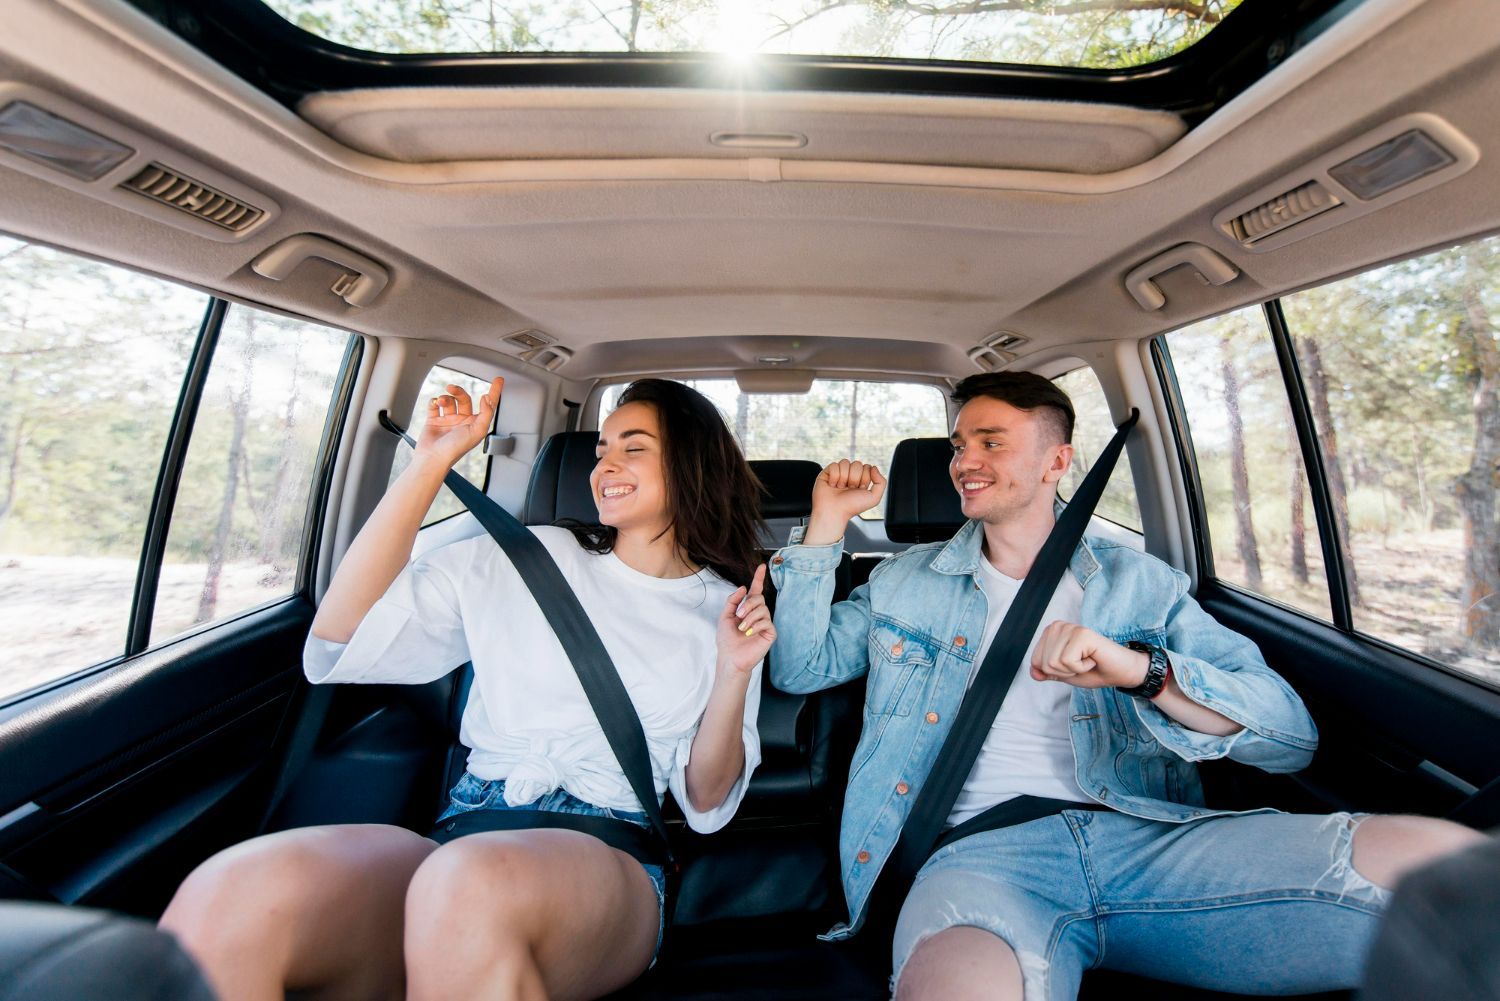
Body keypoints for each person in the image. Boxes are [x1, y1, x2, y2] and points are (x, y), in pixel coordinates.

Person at [768, 371, 1485, 1001]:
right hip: (981, 855)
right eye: (959, 445)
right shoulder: (903, 582)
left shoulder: (1142, 582)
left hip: (1151, 838)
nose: (964, 462)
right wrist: (826, 523)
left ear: (1058, 460)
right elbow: (801, 668)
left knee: (1437, 859)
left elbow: (1290, 736)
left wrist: (1144, 671)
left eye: (990, 442)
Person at [160, 378, 774, 1001]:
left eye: (633, 447)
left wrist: (733, 671)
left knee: (469, 882)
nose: (605, 466)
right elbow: (343, 639)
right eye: (601, 450)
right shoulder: (524, 557)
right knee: (237, 889)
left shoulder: (726, 611)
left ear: (692, 463)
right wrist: (431, 462)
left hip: (611, 846)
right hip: (466, 824)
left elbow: (706, 800)